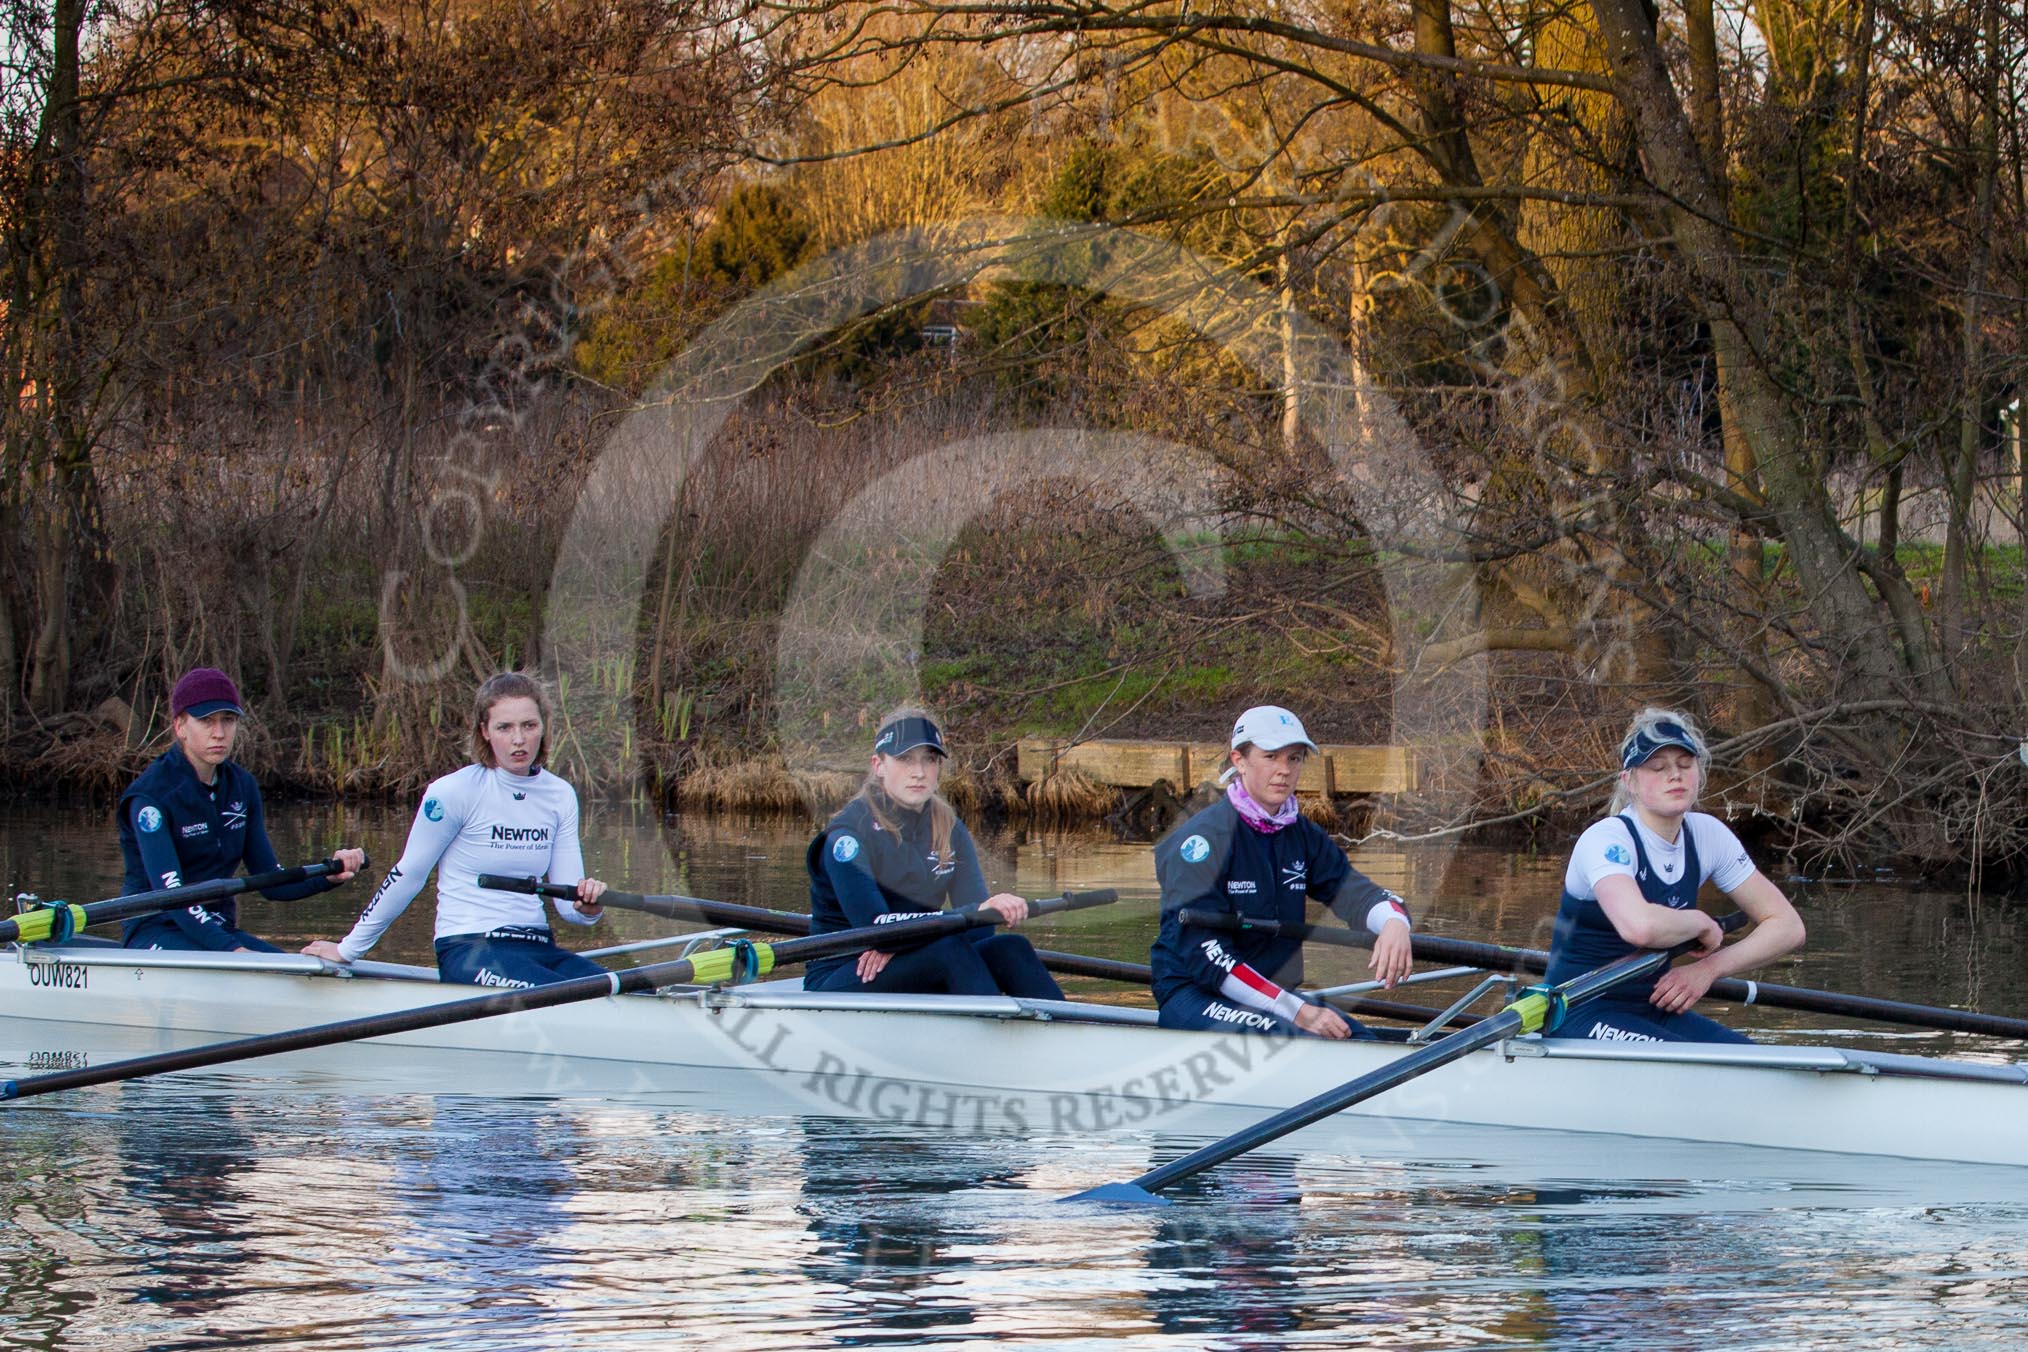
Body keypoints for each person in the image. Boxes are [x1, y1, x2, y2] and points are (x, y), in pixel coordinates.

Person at [301, 672, 608, 987]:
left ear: (543, 727)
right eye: (505, 727)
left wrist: (588, 908)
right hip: (468, 949)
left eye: (529, 726)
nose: (519, 739)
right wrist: (348, 950)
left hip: (538, 947)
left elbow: (569, 905)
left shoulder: (560, 795)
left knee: (635, 990)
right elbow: (409, 874)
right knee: (568, 993)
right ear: (485, 731)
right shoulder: (454, 792)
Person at [1150, 705, 1414, 1038]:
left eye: (1294, 758)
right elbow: (1208, 958)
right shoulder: (1200, 843)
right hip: (1196, 992)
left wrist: (1394, 922)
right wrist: (1296, 1010)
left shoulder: (1302, 836)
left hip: (1273, 995)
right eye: (1271, 756)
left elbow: (1358, 895)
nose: (1284, 771)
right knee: (1299, 1037)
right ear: (1239, 761)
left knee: (1362, 1041)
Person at [1545, 707, 1805, 1043]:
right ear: (1630, 781)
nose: (1675, 776)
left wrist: (1708, 969)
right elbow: (1639, 927)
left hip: (1654, 1006)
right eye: (1658, 767)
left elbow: (1788, 926)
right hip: (1578, 1011)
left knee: (1758, 1061)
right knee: (1707, 1069)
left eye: (1685, 765)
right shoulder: (1607, 840)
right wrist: (1700, 923)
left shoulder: (1709, 836)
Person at [804, 709, 1062, 999]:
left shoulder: (948, 827)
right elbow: (874, 929)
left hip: (917, 952)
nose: (919, 772)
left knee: (1012, 948)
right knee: (949, 950)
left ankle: (1069, 1036)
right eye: (905, 759)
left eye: (929, 759)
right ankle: (990, 1036)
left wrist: (907, 942)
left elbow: (980, 930)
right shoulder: (848, 836)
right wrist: (904, 940)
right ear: (879, 765)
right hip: (845, 969)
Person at [118, 667, 366, 951]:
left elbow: (272, 882)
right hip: (155, 931)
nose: (219, 733)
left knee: (291, 974)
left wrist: (328, 875)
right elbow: (173, 896)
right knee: (262, 973)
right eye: (206, 721)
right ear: (180, 726)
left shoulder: (241, 786)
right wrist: (233, 952)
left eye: (228, 720)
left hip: (218, 929)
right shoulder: (150, 798)